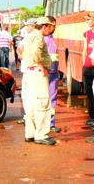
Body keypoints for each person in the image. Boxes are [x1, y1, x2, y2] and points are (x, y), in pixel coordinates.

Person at [21, 16, 55, 145]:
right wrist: (41, 65)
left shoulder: (30, 35)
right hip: (38, 72)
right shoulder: (39, 37)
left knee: (31, 105)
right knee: (43, 103)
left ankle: (30, 133)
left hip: (29, 72)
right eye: (50, 27)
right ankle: (41, 134)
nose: (51, 30)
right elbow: (36, 53)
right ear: (44, 26)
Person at [16, 18, 37, 125]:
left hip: (31, 70)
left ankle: (30, 117)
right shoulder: (28, 37)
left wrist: (21, 54)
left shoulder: (35, 37)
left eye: (28, 25)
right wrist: (20, 54)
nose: (27, 27)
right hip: (27, 70)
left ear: (33, 26)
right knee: (26, 95)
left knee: (30, 95)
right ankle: (28, 116)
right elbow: (19, 48)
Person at [43, 16, 61, 133]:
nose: (55, 28)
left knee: (52, 99)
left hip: (53, 73)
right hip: (45, 73)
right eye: (53, 25)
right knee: (43, 99)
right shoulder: (41, 38)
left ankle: (51, 123)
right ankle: (43, 124)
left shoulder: (51, 37)